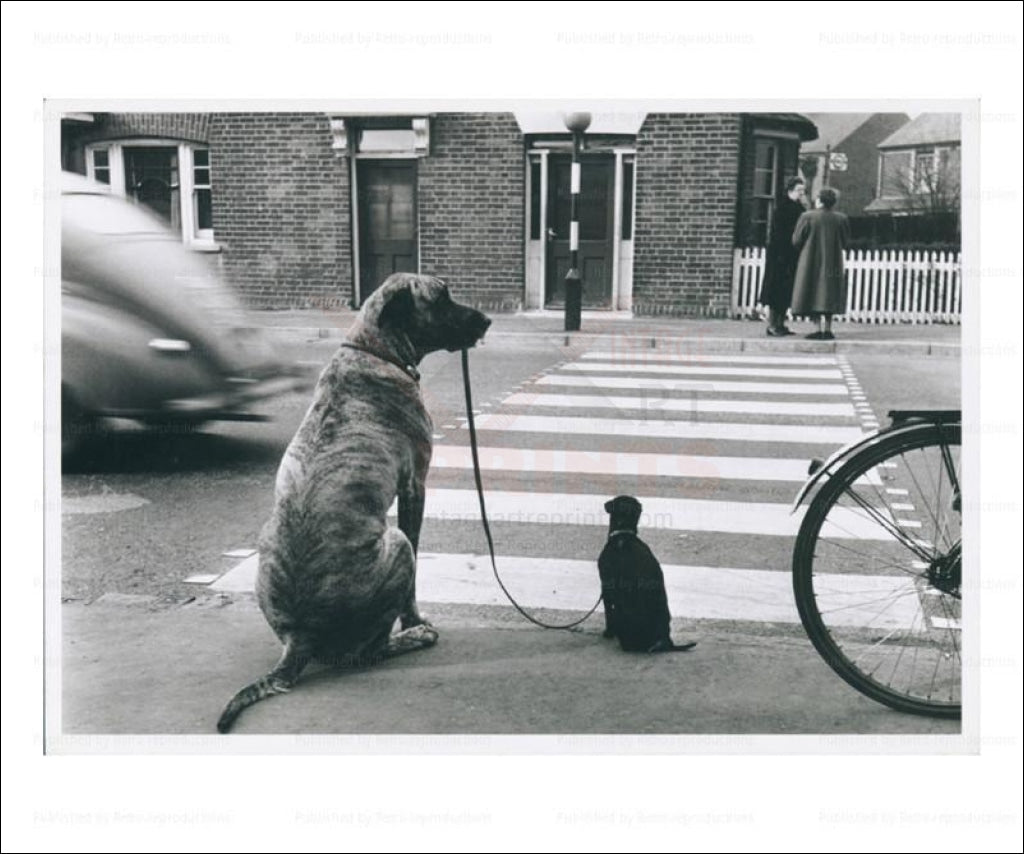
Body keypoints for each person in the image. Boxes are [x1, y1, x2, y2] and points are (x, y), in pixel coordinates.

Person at [791, 187, 851, 340]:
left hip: (811, 260)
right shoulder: (841, 218)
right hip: (833, 261)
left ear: (819, 200)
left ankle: (817, 329)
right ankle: (828, 329)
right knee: (829, 293)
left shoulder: (807, 216)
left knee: (812, 291)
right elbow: (845, 241)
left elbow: (796, 240)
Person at [759, 176, 807, 336]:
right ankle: (773, 324)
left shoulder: (798, 207)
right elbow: (780, 232)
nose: (802, 193)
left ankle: (780, 323)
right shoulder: (783, 208)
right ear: (790, 190)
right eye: (799, 190)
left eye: (803, 190)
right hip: (780, 254)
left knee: (786, 290)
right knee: (776, 289)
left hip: (790, 254)